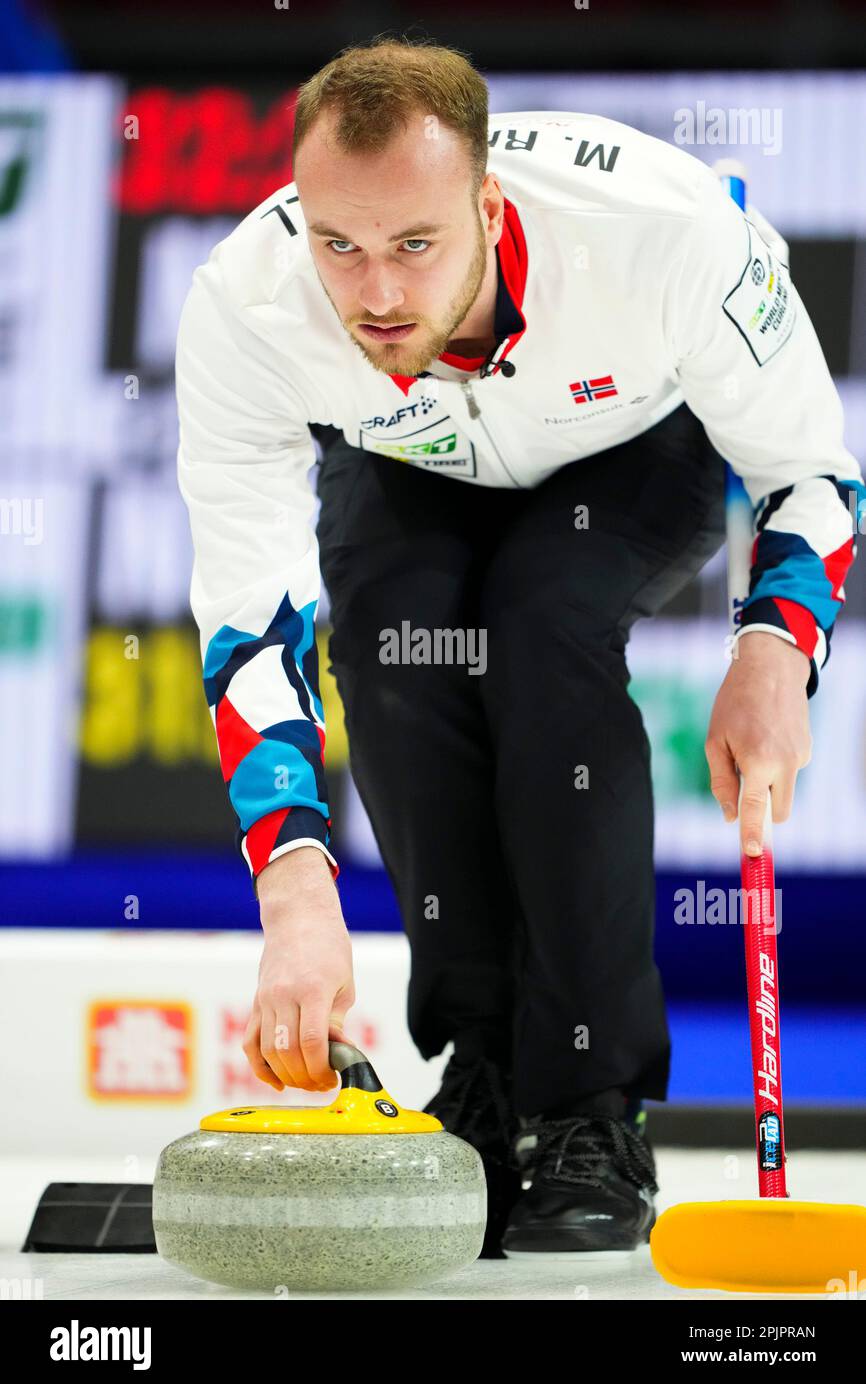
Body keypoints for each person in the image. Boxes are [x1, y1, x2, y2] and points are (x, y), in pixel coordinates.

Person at [175, 37, 863, 1258]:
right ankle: (482, 1078)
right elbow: (251, 623)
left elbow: (809, 471)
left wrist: (772, 649)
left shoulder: (663, 231)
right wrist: (293, 893)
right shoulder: (247, 305)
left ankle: (591, 1101)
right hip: (406, 452)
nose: (374, 291)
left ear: (487, 205)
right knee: (397, 637)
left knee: (543, 621)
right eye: (339, 244)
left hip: (632, 444)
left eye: (414, 245)